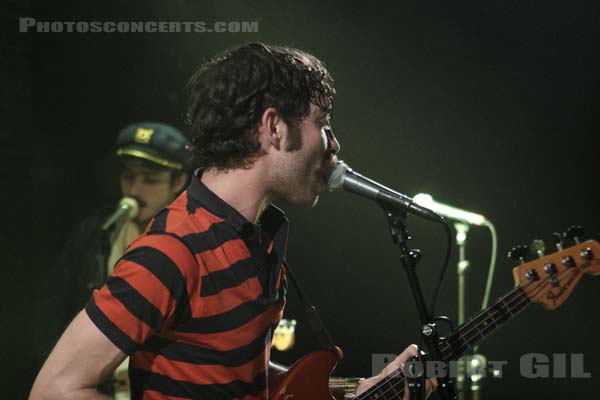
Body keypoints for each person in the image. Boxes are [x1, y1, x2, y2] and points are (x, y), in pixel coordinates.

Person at [30, 43, 432, 400]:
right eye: (323, 123)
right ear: (274, 128)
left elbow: (240, 379)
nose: (334, 144)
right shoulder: (172, 250)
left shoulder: (261, 236)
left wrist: (352, 391)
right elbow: (55, 389)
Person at [34, 122, 191, 396]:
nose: (135, 189)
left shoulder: (189, 244)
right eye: (129, 176)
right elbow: (52, 309)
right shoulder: (95, 233)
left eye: (150, 179)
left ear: (178, 182)